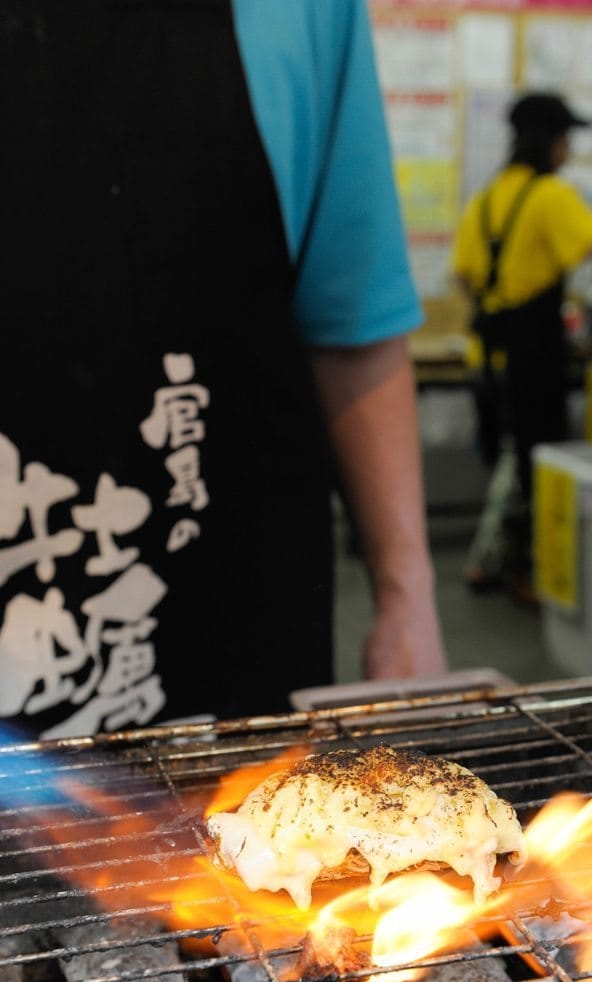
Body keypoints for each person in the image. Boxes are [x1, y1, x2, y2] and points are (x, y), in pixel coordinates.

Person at [0, 0, 446, 740]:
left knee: (249, 849)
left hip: (235, 629)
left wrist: (407, 599)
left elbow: (353, 324)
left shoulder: (307, 10)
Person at [453, 92, 592, 593]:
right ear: (550, 141)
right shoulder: (550, 194)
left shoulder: (489, 197)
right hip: (531, 350)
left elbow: (464, 279)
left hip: (487, 347)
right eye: (565, 139)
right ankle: (521, 568)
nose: (568, 150)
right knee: (536, 457)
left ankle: (504, 561)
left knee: (508, 453)